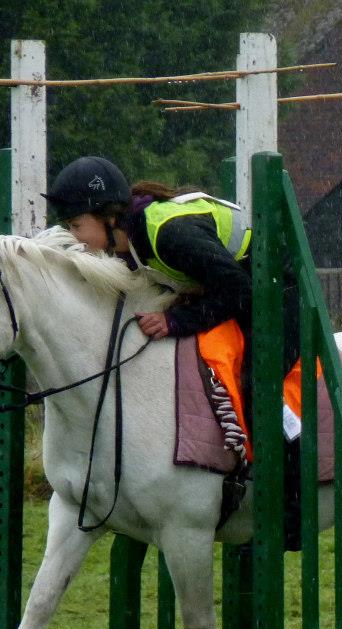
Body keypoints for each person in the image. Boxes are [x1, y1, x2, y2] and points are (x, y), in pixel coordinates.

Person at [46, 155, 303, 547]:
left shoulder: (168, 235)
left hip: (276, 291)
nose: (75, 237)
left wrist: (175, 322)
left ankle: (292, 504)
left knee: (256, 387)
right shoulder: (133, 239)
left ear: (108, 217)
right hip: (241, 287)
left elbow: (240, 290)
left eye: (76, 225)